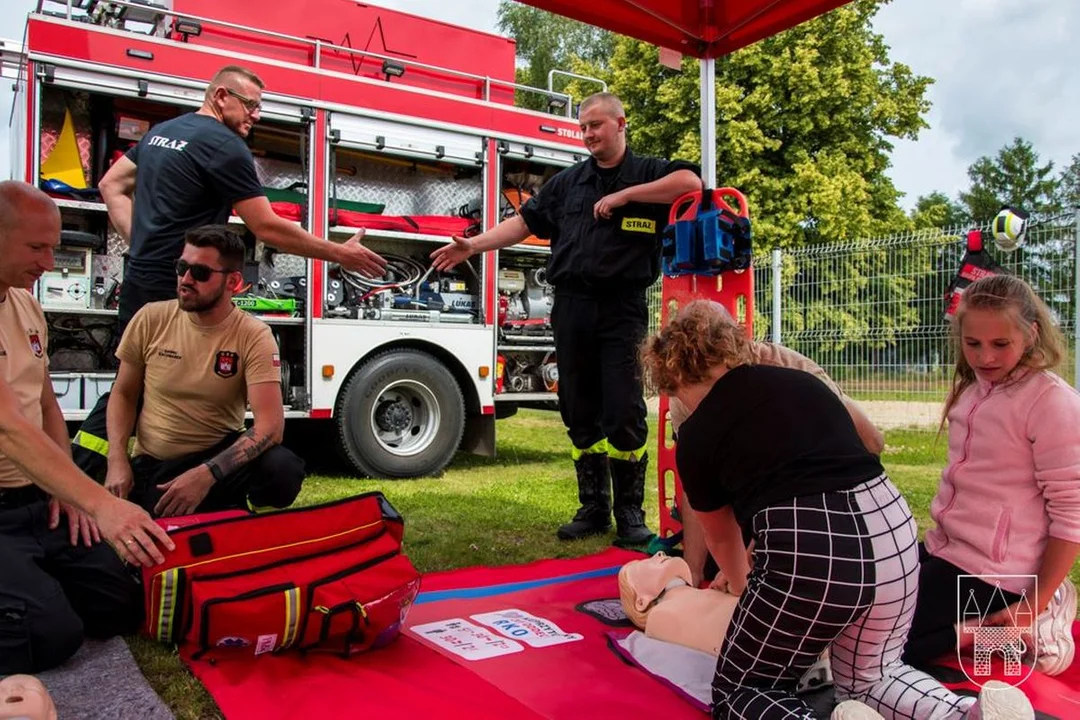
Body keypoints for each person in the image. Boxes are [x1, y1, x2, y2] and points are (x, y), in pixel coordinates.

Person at [641, 299, 1033, 719]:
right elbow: (871, 441)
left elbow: (722, 536)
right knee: (872, 676)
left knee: (743, 687)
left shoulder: (698, 434)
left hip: (815, 545)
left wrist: (742, 588)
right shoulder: (802, 381)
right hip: (893, 529)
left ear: (676, 375)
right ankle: (968, 713)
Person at [72, 64, 387, 476]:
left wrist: (142, 244)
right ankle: (88, 476)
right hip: (189, 285)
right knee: (155, 386)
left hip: (143, 278)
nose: (257, 115)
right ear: (221, 96)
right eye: (251, 105)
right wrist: (337, 253)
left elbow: (111, 185)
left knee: (136, 382)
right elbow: (266, 225)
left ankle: (100, 473)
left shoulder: (161, 134)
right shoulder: (224, 146)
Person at [432, 92, 701, 546]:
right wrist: (473, 245)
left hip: (622, 307)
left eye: (596, 125)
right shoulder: (568, 183)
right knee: (578, 408)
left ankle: (630, 515)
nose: (589, 134)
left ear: (621, 123)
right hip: (571, 305)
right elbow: (524, 223)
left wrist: (625, 196)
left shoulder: (648, 172)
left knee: (623, 409)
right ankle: (592, 508)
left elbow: (691, 184)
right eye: (583, 127)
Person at [0, 181, 174, 675]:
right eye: (37, 246)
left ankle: (28, 584)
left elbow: (45, 403)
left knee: (120, 604)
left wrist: (68, 492)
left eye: (54, 247)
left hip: (34, 499)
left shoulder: (25, 304)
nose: (49, 262)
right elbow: (9, 427)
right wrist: (100, 504)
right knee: (52, 636)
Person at [902, 274, 1080, 677]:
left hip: (998, 574)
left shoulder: (1052, 403)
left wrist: (1032, 601)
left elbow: (1072, 514)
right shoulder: (971, 391)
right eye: (973, 344)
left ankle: (1024, 623)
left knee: (880, 647)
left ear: (1031, 334)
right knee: (850, 611)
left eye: (1001, 344)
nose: (985, 358)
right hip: (946, 550)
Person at [666, 303, 885, 587]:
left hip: (832, 517)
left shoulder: (791, 371)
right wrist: (692, 572)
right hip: (901, 542)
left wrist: (753, 556)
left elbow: (871, 443)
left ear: (732, 348)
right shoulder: (687, 390)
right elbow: (699, 488)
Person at [104, 225, 305, 518]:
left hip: (217, 461)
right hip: (157, 463)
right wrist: (117, 459)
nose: (185, 280)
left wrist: (208, 473)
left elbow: (271, 428)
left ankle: (233, 504)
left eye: (200, 273)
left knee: (283, 469)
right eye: (181, 268)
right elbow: (123, 393)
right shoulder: (151, 318)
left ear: (233, 282)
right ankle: (220, 507)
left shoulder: (253, 335)